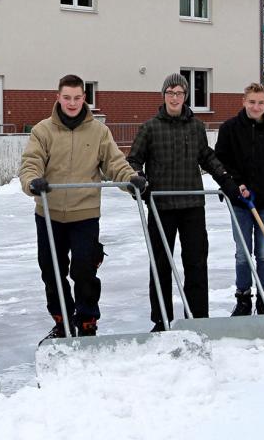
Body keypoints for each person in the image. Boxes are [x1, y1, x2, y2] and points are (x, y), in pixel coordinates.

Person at [19, 74, 145, 341]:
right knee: (52, 270)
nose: (72, 103)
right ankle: (62, 321)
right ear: (58, 97)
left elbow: (115, 163)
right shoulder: (43, 130)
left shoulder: (98, 131)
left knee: (84, 270)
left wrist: (130, 180)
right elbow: (31, 163)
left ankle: (87, 320)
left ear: (84, 98)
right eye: (67, 97)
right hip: (49, 213)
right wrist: (32, 182)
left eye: (77, 98)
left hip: (85, 214)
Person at [127, 73, 235, 331]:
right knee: (161, 264)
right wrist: (139, 181)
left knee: (196, 263)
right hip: (161, 207)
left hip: (192, 206)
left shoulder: (196, 126)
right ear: (163, 95)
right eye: (170, 92)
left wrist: (225, 178)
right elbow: (133, 160)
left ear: (185, 96)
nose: (174, 98)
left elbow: (206, 156)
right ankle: (161, 319)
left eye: (179, 93)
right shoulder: (150, 127)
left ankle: (197, 318)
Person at [214, 83, 264, 316]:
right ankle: (243, 298)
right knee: (243, 253)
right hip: (240, 203)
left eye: (261, 102)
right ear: (244, 101)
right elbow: (221, 162)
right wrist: (236, 185)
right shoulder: (230, 129)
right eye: (252, 102)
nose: (256, 106)